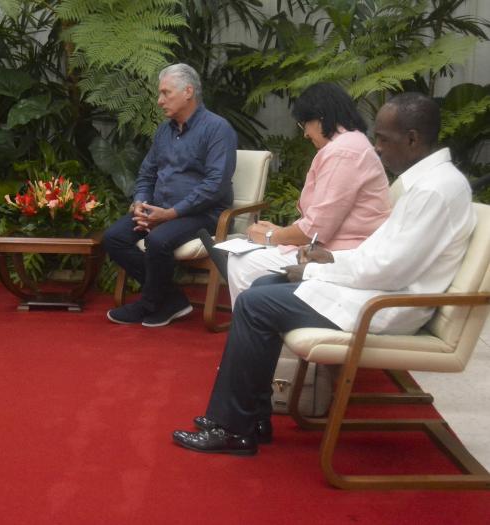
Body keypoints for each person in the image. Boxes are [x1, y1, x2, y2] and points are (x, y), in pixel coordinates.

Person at [172, 92, 476, 455]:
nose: (378, 148)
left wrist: (316, 270)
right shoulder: (430, 183)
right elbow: (381, 255)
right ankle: (251, 417)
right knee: (264, 284)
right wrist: (326, 261)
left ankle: (233, 428)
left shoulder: (435, 191)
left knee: (255, 303)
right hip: (378, 290)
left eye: (384, 139)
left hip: (388, 303)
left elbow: (388, 269)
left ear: (412, 138)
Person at [200, 82, 391, 306]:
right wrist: (277, 232)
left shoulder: (343, 152)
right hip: (334, 248)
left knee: (243, 262)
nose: (305, 134)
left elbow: (317, 229)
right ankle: (257, 316)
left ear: (320, 118)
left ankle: (253, 321)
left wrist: (271, 236)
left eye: (304, 124)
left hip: (341, 255)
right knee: (247, 257)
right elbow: (321, 221)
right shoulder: (350, 144)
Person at [103, 63, 237, 327]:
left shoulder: (217, 129)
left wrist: (171, 214)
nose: (159, 100)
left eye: (166, 93)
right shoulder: (164, 131)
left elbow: (215, 185)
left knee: (158, 240)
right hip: (160, 209)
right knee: (114, 238)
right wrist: (140, 202)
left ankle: (149, 303)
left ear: (188, 92)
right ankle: (172, 299)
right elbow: (147, 173)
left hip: (204, 214)